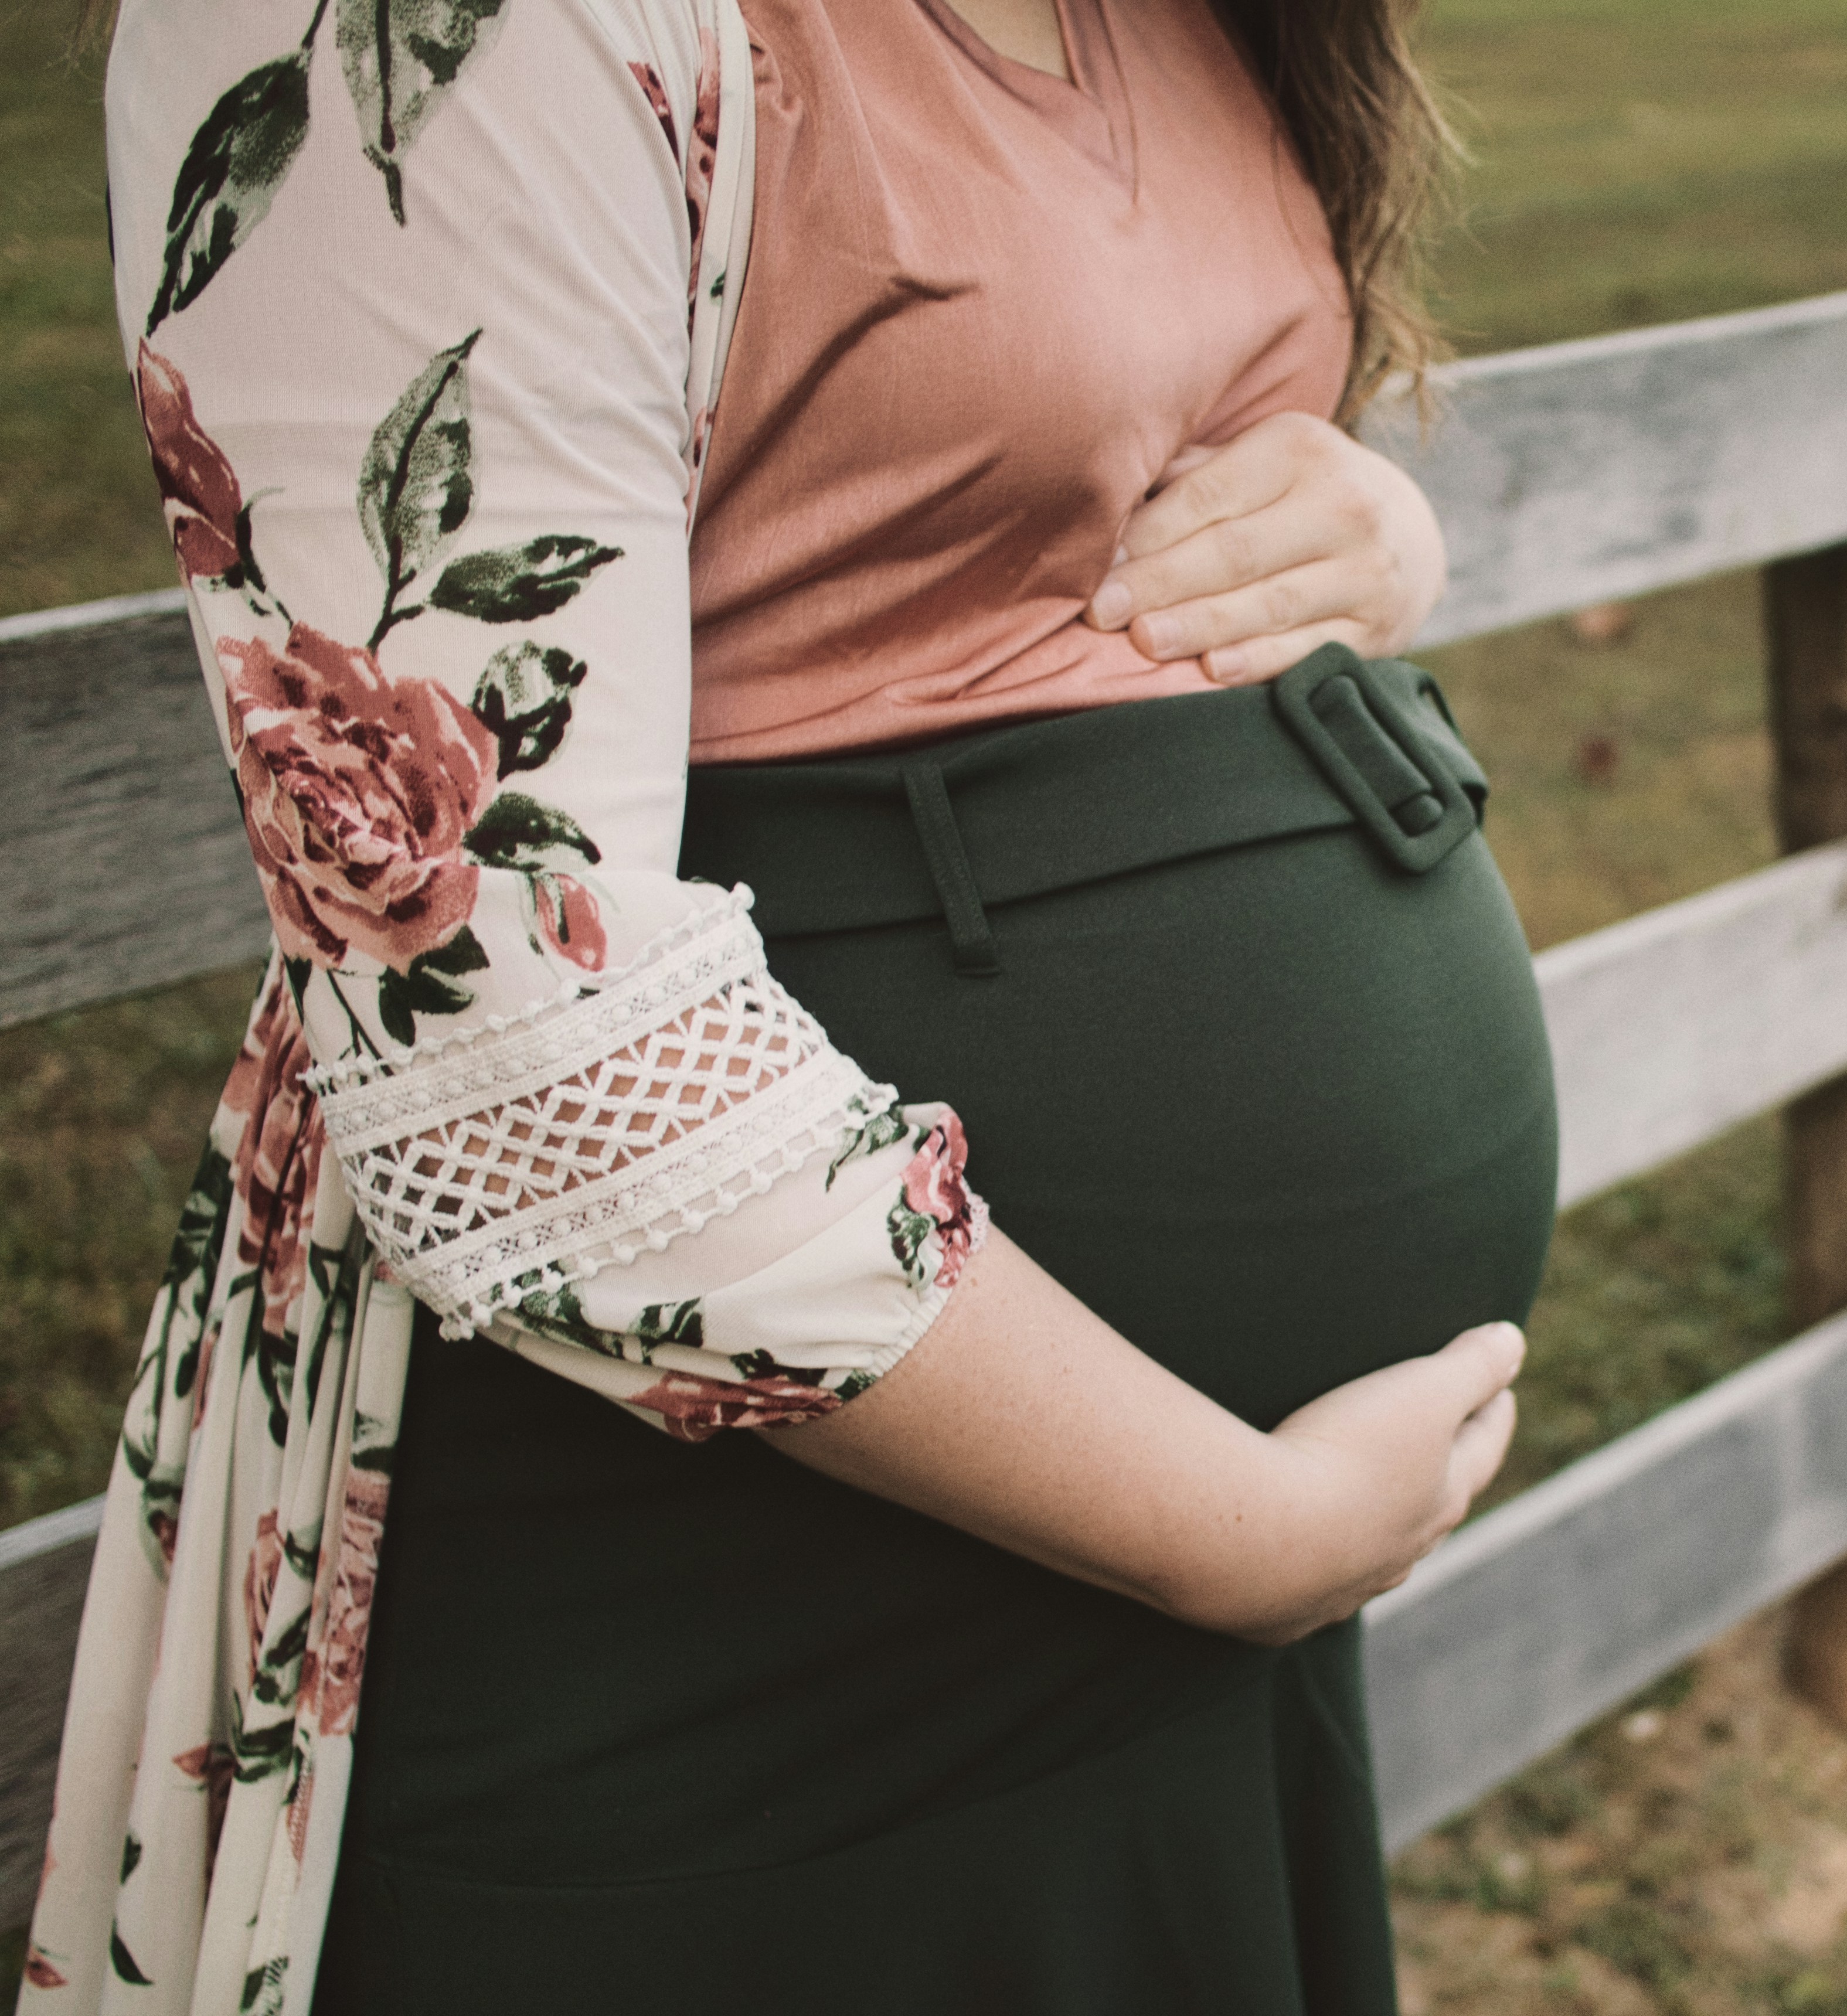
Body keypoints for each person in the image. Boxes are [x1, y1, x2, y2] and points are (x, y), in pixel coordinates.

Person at [22, 0, 1556, 2007]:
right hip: (761, 1623)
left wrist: (1366, 530)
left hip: (1152, 1621)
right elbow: (490, 1013)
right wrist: (1235, 1530)